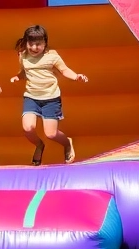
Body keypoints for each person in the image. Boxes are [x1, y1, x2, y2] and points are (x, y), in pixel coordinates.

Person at [10, 25, 88, 165]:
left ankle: (67, 143)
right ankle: (39, 145)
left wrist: (76, 76)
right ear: (26, 42)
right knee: (28, 128)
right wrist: (18, 77)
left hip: (50, 98)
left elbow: (64, 70)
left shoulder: (52, 56)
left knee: (51, 134)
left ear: (45, 42)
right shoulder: (23, 55)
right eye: (31, 44)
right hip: (31, 97)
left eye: (38, 44)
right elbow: (24, 72)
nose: (34, 47)